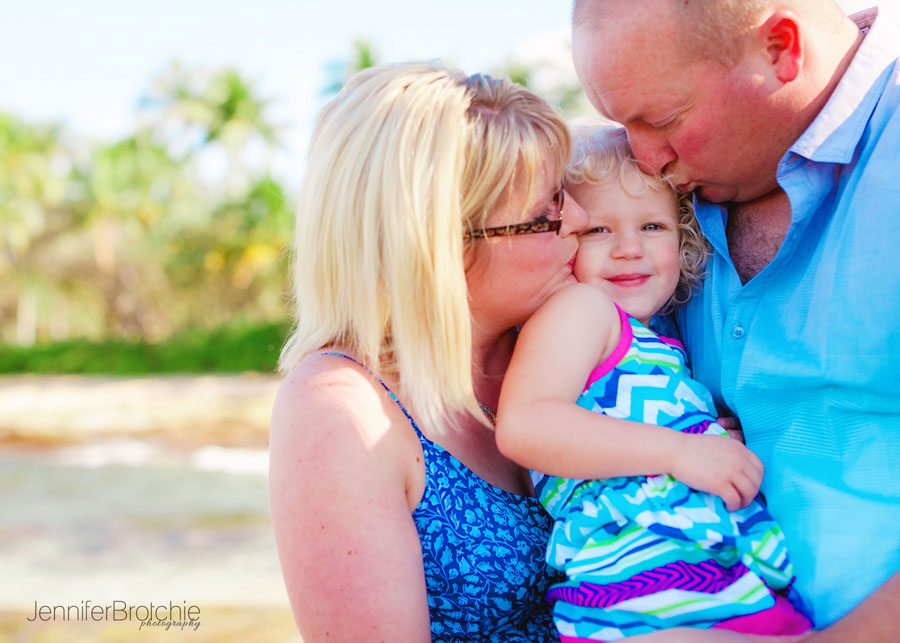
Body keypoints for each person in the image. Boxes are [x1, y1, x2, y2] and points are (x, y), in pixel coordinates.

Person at [570, 0, 900, 639]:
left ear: (780, 48)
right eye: (622, 125)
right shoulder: (655, 202)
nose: (642, 158)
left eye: (662, 119)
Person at [268, 61, 591, 641]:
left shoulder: (569, 345)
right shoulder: (342, 411)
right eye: (547, 215)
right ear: (441, 246)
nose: (584, 222)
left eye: (566, 196)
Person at [495, 126, 811, 641]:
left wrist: (704, 435)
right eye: (598, 230)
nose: (627, 249)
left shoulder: (657, 339)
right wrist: (678, 451)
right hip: (641, 588)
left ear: (683, 237)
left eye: (652, 226)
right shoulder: (580, 309)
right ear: (563, 237)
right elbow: (527, 425)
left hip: (714, 577)